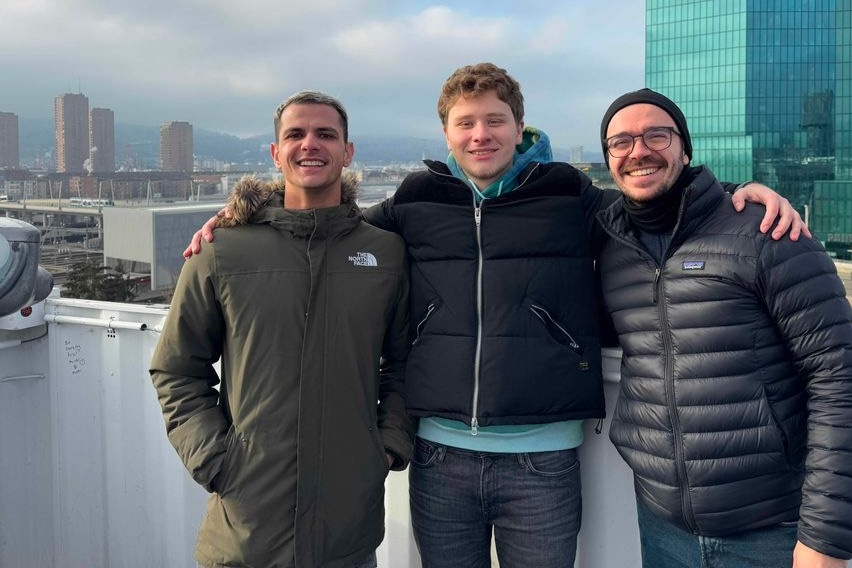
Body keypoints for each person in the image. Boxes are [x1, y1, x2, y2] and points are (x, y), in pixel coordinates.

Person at [183, 64, 807, 568]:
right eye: (465, 123)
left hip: (544, 460)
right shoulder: (417, 198)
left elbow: (651, 203)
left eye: (494, 120)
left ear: (518, 128)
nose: (480, 134)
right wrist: (245, 215)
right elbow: (329, 232)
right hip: (440, 456)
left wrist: (733, 196)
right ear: (446, 134)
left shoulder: (567, 192)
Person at [595, 88, 852, 568]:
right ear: (608, 159)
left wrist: (827, 538)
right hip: (662, 525)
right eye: (621, 142)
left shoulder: (767, 232)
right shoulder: (613, 244)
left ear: (685, 149)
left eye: (656, 136)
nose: (638, 151)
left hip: (770, 530)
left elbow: (840, 380)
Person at [150, 90, 414, 568]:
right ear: (276, 153)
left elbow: (404, 363)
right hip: (245, 534)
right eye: (296, 134)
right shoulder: (222, 251)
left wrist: (386, 446)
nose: (310, 144)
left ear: (347, 152)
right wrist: (214, 459)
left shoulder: (386, 254)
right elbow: (176, 369)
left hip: (348, 535)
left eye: (325, 134)